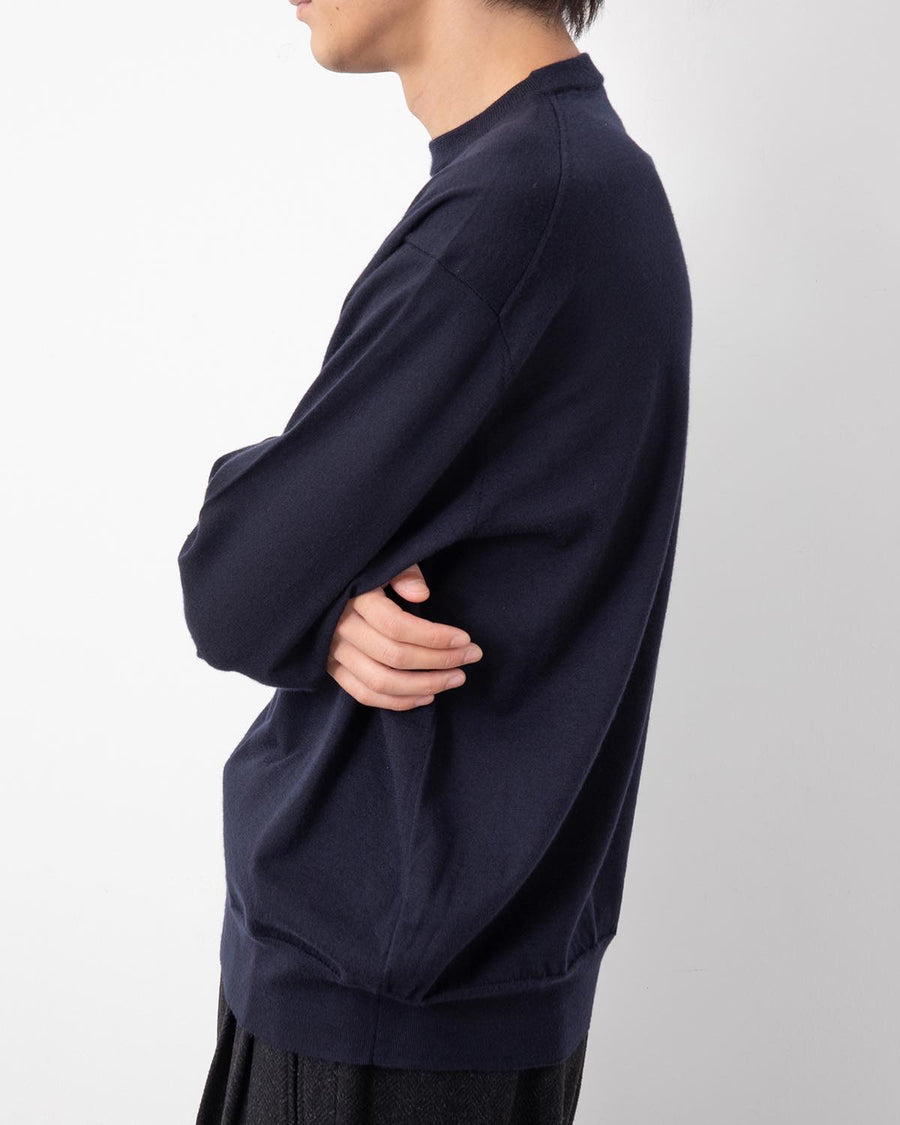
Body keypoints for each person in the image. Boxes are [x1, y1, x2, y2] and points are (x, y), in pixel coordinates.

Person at [180, 0, 692, 1118]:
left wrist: (295, 565)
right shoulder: (588, 179)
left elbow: (230, 584)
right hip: (451, 989)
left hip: (380, 1007)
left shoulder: (516, 212)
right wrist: (330, 601)